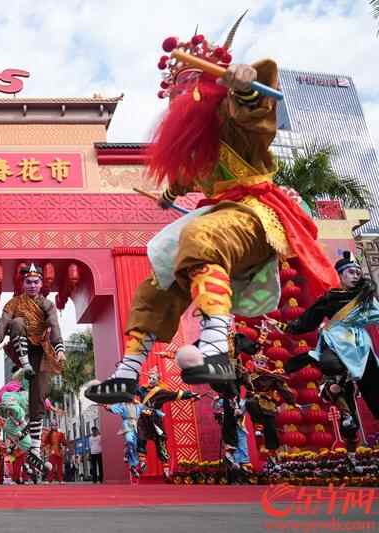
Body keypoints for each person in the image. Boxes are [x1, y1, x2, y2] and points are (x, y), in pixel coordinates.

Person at [86, 16, 338, 405]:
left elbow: (256, 116)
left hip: (256, 214)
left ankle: (216, 348)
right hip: (221, 216)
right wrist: (167, 197)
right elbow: (182, 180)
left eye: (192, 84)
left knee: (200, 237)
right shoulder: (194, 149)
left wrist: (246, 86)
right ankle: (128, 372)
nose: (183, 98)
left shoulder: (233, 123)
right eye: (177, 91)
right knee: (158, 281)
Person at [285, 252, 379, 428]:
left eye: (358, 273)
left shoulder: (364, 297)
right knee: (329, 364)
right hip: (336, 340)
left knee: (374, 385)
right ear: (340, 275)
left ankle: (341, 387)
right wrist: (291, 327)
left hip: (359, 343)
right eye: (351, 272)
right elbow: (309, 319)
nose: (355, 276)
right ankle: (339, 393)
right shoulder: (329, 298)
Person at [0, 263, 65, 465]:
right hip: (21, 349)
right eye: (28, 282)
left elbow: (54, 325)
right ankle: (25, 364)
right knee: (17, 322)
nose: (32, 285)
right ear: (23, 283)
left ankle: (35, 449)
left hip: (41, 352)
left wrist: (59, 349)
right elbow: (2, 325)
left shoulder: (47, 305)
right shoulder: (13, 304)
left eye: (35, 282)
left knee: (38, 397)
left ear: (41, 283)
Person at [136, 369, 200, 479]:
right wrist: (134, 375)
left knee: (160, 442)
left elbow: (175, 395)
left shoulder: (161, 392)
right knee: (140, 438)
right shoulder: (142, 389)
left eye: (154, 379)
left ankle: (166, 469)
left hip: (155, 420)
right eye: (150, 378)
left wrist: (190, 395)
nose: (151, 380)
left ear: (158, 381)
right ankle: (142, 462)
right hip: (143, 419)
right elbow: (133, 388)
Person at [106, 400, 144, 479]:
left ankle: (134, 466)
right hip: (127, 425)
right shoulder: (122, 404)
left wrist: (150, 410)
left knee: (135, 445)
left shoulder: (137, 404)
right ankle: (129, 456)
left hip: (136, 425)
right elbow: (114, 408)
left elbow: (146, 409)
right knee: (129, 441)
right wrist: (109, 407)